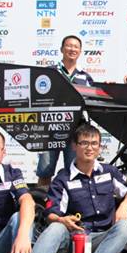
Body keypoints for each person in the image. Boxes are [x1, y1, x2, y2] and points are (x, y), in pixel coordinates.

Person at [8, 124, 127, 253]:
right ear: (74, 146)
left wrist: (123, 206)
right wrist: (61, 220)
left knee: (125, 227)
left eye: (94, 143)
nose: (89, 148)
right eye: (84, 143)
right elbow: (51, 214)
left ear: (99, 147)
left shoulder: (110, 172)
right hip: (72, 243)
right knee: (56, 227)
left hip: (100, 243)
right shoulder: (62, 178)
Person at [36, 35, 94, 188]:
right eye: (69, 46)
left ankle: (72, 202)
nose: (72, 49)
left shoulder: (85, 77)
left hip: (75, 130)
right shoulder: (49, 72)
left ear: (80, 51)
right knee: (45, 171)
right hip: (50, 129)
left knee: (74, 170)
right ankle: (41, 201)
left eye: (76, 47)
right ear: (62, 49)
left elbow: (92, 100)